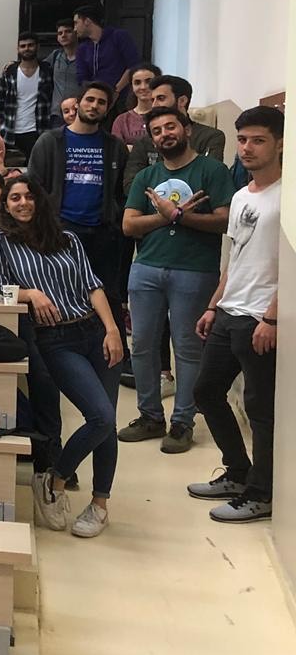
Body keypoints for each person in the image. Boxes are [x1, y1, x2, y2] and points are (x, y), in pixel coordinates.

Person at [0, 179, 125, 537]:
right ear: (6, 205)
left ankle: (99, 505)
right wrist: (30, 293)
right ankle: (57, 479)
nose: (23, 203)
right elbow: (2, 289)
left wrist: (113, 330)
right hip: (56, 339)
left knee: (107, 425)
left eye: (29, 196)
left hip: (95, 330)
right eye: (14, 198)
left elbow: (92, 285)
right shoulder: (1, 241)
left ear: (40, 201)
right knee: (100, 416)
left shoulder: (68, 239)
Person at [119, 106, 235, 453]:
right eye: (156, 131)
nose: (164, 134)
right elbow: (129, 225)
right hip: (146, 268)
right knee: (142, 345)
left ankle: (183, 422)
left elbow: (224, 220)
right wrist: (168, 216)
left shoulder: (212, 170)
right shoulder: (147, 175)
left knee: (187, 348)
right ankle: (150, 416)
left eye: (170, 127)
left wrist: (180, 217)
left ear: (187, 129)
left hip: (194, 271)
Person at [189, 106, 282, 523]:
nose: (247, 148)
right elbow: (235, 257)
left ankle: (262, 494)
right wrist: (213, 304)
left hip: (261, 318)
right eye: (242, 139)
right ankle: (238, 472)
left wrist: (273, 317)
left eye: (258, 140)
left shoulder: (288, 197)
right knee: (206, 392)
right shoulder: (242, 195)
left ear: (280, 144)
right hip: (229, 311)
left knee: (261, 410)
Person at [26, 81, 129, 298]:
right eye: (89, 100)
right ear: (77, 104)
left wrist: (114, 218)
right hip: (61, 231)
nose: (94, 106)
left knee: (104, 298)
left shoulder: (115, 146)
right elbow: (34, 187)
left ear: (107, 109)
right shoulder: (49, 141)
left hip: (102, 235)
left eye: (101, 102)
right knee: (62, 296)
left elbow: (121, 191)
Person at [122, 74, 228, 188]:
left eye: (161, 98)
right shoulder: (144, 142)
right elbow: (131, 185)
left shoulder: (209, 136)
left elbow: (211, 179)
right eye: (152, 100)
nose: (154, 105)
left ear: (182, 101)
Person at [0, 33, 56, 161]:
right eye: (23, 46)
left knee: (37, 168)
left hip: (38, 130)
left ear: (37, 47)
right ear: (18, 49)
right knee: (12, 169)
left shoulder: (47, 70)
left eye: (30, 45)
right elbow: (0, 101)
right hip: (11, 130)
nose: (26, 48)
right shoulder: (9, 72)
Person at [72, 3, 140, 98]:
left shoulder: (118, 36)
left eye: (76, 23)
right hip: (96, 97)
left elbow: (133, 65)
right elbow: (81, 77)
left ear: (87, 21)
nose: (74, 29)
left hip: (122, 96)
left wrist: (116, 91)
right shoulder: (82, 48)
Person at [48, 19, 83, 108]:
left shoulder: (87, 57)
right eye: (60, 33)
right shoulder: (55, 55)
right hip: (57, 111)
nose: (63, 35)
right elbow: (35, 66)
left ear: (76, 33)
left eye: (68, 31)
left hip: (78, 110)